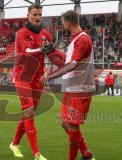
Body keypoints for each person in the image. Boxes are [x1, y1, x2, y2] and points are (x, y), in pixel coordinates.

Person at [10, 4, 65, 160]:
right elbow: (28, 52)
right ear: (28, 15)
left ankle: (14, 144)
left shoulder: (45, 34)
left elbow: (52, 53)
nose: (38, 17)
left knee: (30, 113)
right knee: (29, 112)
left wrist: (68, 57)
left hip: (38, 78)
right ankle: (36, 154)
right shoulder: (21, 33)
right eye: (35, 14)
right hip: (23, 77)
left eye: (40, 14)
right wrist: (45, 48)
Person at [40, 10, 96, 160]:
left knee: (72, 124)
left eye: (63, 23)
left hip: (80, 89)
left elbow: (72, 64)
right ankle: (86, 153)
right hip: (73, 88)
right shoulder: (76, 39)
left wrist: (50, 75)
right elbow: (67, 61)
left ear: (67, 23)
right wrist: (53, 51)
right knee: (66, 123)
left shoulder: (82, 40)